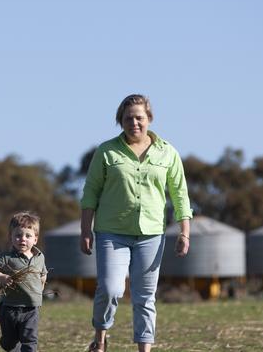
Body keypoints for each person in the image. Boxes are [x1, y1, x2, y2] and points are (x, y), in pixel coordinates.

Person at [79, 94, 192, 352]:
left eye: (139, 117)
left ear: (149, 119)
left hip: (151, 234)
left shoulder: (168, 152)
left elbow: (180, 194)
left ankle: (144, 349)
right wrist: (85, 230)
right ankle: (100, 339)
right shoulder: (106, 151)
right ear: (121, 121)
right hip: (111, 232)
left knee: (145, 297)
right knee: (110, 289)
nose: (134, 123)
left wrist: (184, 232)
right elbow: (90, 193)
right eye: (128, 118)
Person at [0, 211, 48, 352]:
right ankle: (9, 344)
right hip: (10, 308)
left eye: (28, 236)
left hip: (31, 309)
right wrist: (0, 276)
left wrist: (41, 288)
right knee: (9, 343)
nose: (23, 239)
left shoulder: (40, 257)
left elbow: (43, 273)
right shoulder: (7, 257)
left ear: (35, 239)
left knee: (30, 340)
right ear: (11, 237)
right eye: (18, 235)